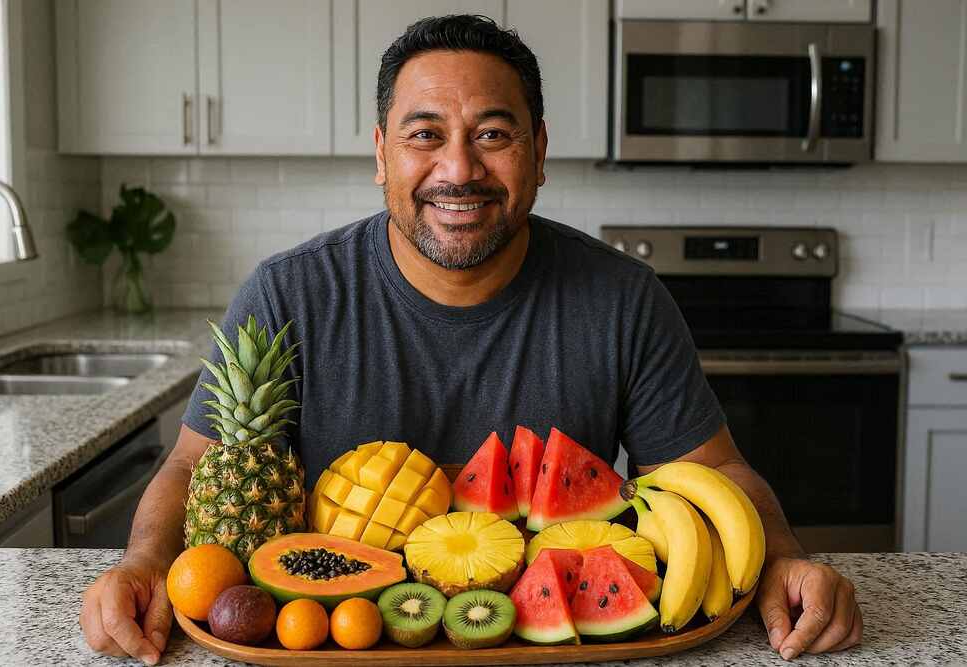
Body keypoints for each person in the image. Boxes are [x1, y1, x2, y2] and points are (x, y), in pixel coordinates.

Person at [80, 14, 862, 664]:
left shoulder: (623, 298)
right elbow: (195, 463)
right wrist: (144, 564)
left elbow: (710, 477)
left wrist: (785, 554)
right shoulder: (289, 293)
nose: (459, 168)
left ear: (539, 152)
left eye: (493, 133)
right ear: (381, 152)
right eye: (425, 134)